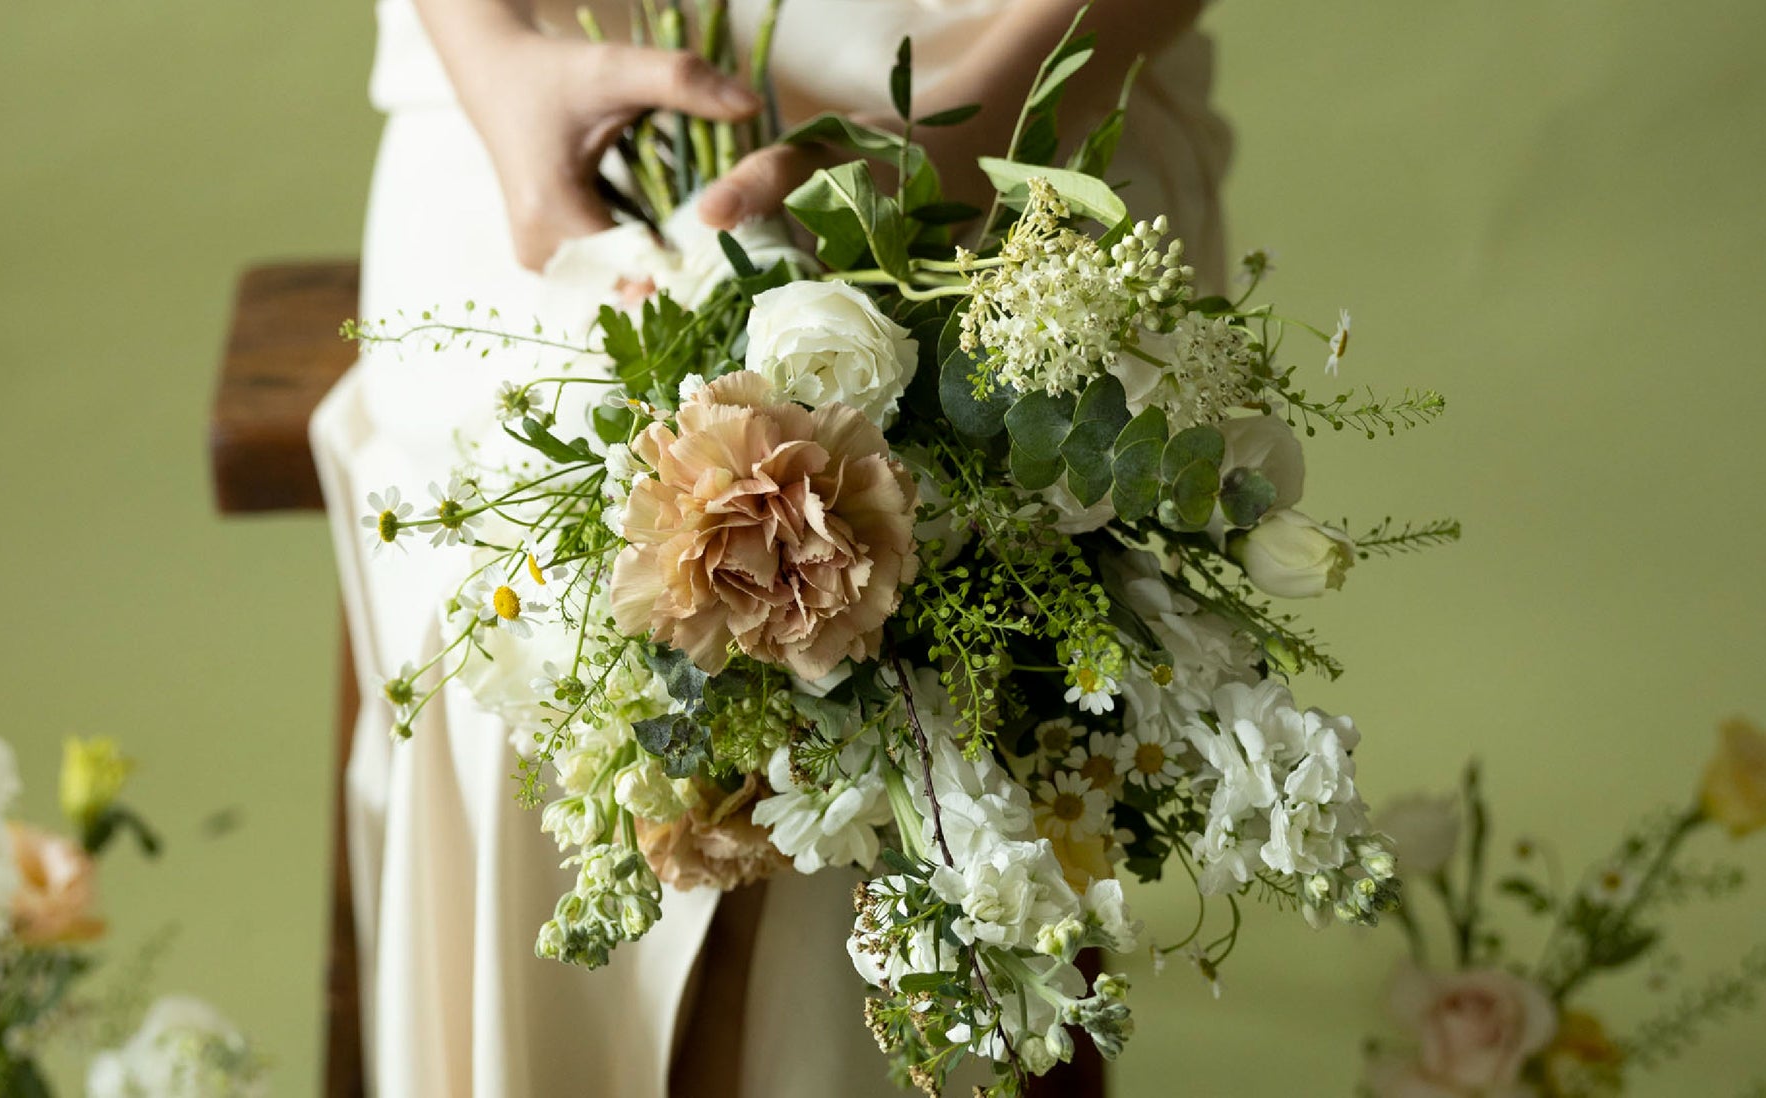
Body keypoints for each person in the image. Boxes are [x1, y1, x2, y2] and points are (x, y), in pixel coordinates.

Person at [310, 0, 1231, 1094]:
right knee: (538, 628)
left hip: (1019, 85)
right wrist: (495, 61)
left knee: (913, 655)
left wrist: (969, 131)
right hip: (533, 80)